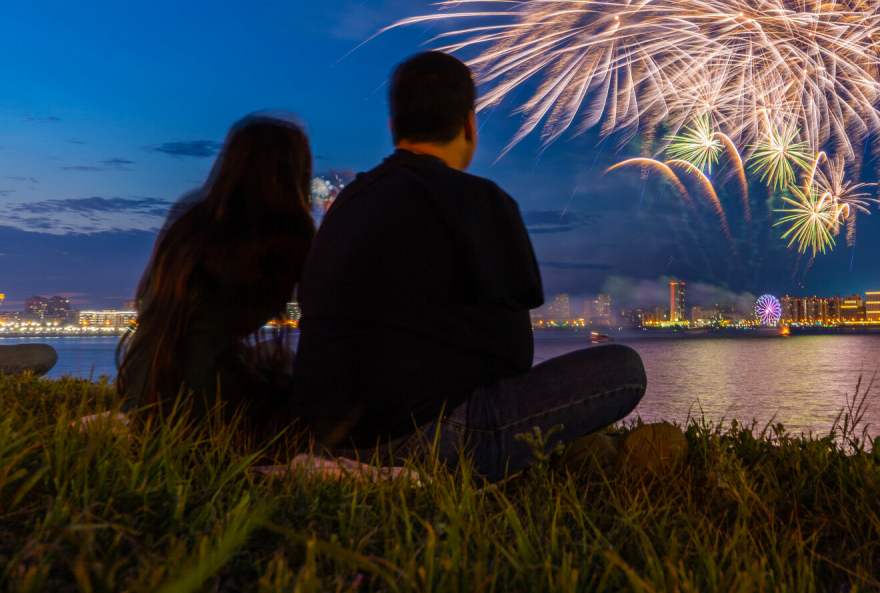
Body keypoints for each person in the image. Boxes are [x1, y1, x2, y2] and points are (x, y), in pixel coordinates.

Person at [293, 51, 648, 478]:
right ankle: (558, 455)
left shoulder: (346, 204)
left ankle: (568, 452)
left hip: (327, 438)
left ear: (393, 129)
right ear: (468, 124)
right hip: (427, 441)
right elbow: (516, 357)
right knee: (625, 369)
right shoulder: (483, 202)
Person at [116, 115, 315, 435]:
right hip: (205, 408)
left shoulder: (192, 215)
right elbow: (326, 319)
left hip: (143, 388)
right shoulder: (288, 233)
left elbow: (150, 302)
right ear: (295, 172)